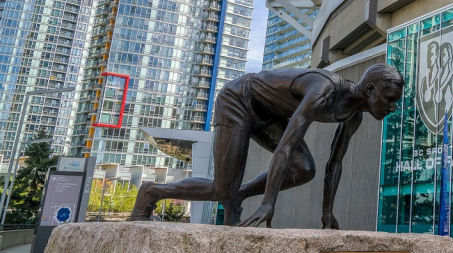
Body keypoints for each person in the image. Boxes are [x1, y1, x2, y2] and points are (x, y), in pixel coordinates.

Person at [129, 64, 404, 228]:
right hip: (240, 100)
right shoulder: (325, 90)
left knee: (304, 168)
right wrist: (267, 203)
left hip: (269, 114)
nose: (392, 107)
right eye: (389, 99)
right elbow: (285, 146)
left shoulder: (353, 115)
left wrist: (327, 212)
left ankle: (238, 197)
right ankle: (151, 192)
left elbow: (335, 165)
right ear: (369, 90)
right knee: (222, 188)